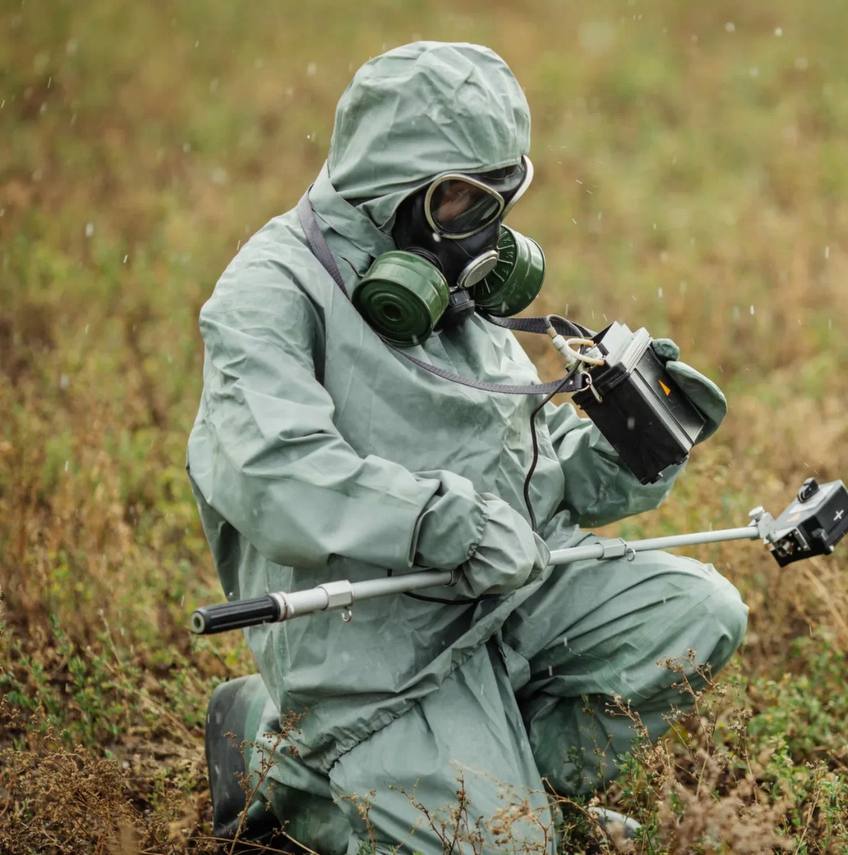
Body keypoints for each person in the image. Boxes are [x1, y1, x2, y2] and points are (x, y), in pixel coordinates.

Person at [188, 41, 748, 854]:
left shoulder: (446, 283)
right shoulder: (269, 289)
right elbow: (273, 471)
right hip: (367, 638)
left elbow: (515, 452)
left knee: (698, 615)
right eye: (462, 204)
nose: (482, 237)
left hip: (502, 590)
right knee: (501, 850)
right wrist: (439, 521)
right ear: (392, 184)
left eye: (501, 200)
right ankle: (287, 768)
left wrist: (621, 453)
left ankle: (521, 796)